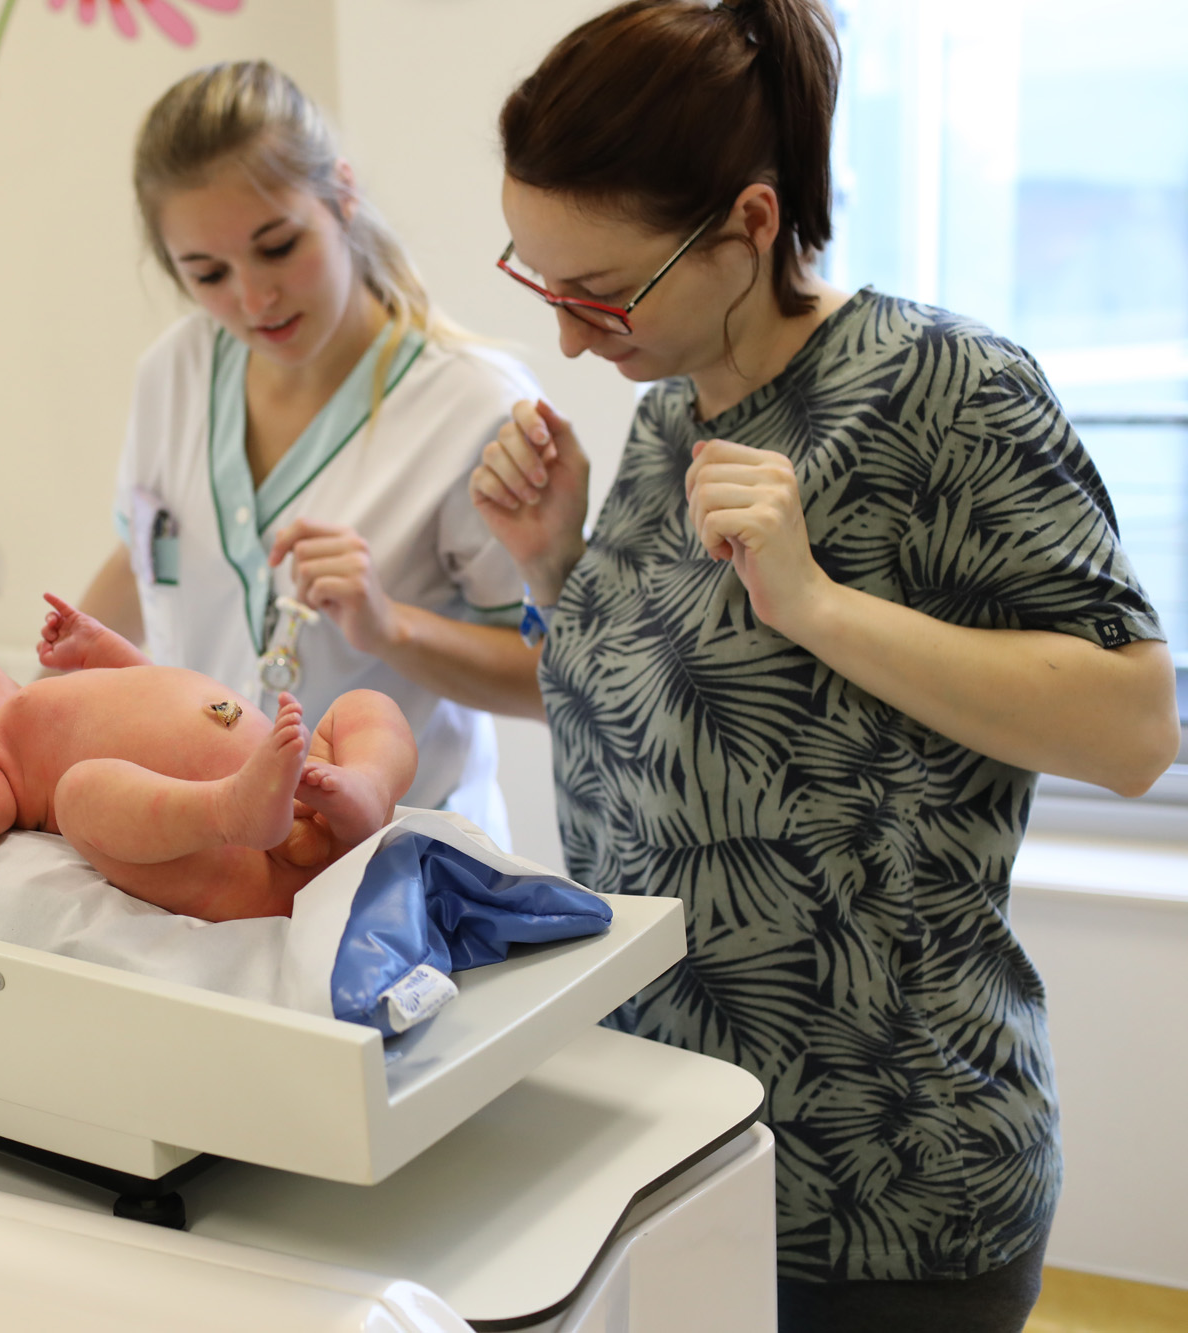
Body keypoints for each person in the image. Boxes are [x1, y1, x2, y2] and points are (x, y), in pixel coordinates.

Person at [470, 2, 1180, 1329]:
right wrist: (554, 565)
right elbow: (667, 744)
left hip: (890, 1191)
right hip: (674, 1156)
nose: (570, 337)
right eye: (540, 280)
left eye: (602, 290)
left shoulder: (949, 387)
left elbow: (1136, 728)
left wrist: (816, 603)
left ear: (748, 223)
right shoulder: (667, 411)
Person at [76, 60, 542, 849]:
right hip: (214, 850)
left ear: (342, 195)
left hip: (405, 870)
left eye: (278, 246)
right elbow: (145, 550)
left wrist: (391, 628)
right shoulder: (175, 370)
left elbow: (554, 678)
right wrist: (23, 711)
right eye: (209, 273)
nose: (254, 299)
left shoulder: (475, 408)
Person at [0, 595, 417, 922]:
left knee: (364, 708)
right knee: (81, 792)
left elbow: (160, 693)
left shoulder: (45, 703)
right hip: (239, 855)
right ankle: (231, 809)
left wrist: (107, 650)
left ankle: (362, 787)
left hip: (306, 790)